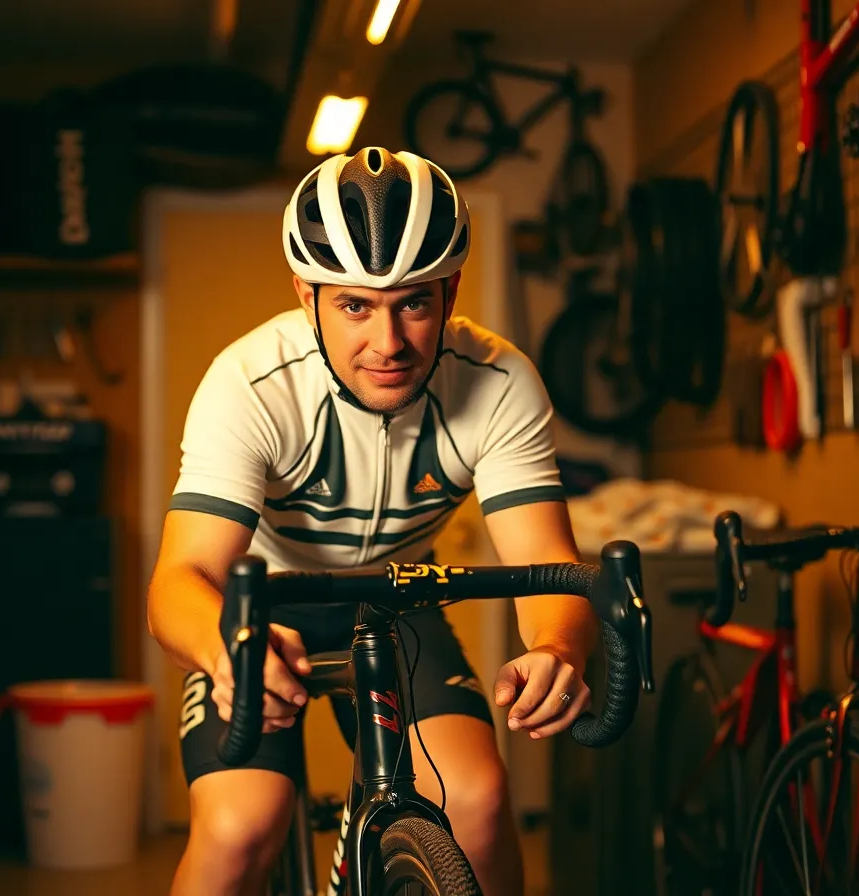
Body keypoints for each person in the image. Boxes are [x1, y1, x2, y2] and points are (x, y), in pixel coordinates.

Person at [147, 145, 598, 896]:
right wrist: (227, 650)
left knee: (479, 808)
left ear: (450, 292)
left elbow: (548, 561)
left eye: (413, 304)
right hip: (264, 611)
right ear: (307, 294)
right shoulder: (249, 383)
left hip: (393, 601)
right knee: (239, 829)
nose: (387, 344)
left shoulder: (500, 380)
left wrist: (559, 647)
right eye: (355, 305)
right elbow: (179, 580)